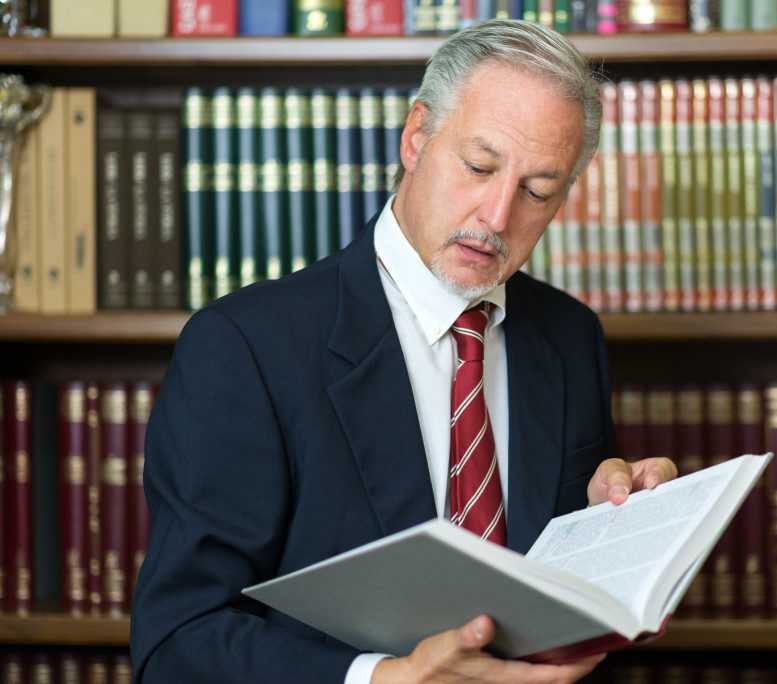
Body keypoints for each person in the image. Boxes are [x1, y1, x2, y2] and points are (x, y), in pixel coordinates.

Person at [129, 19, 677, 683]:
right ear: (417, 136)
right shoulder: (245, 348)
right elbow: (176, 645)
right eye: (479, 166)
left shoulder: (569, 337)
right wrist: (381, 678)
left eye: (538, 191)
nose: (497, 216)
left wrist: (616, 531)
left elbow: (557, 602)